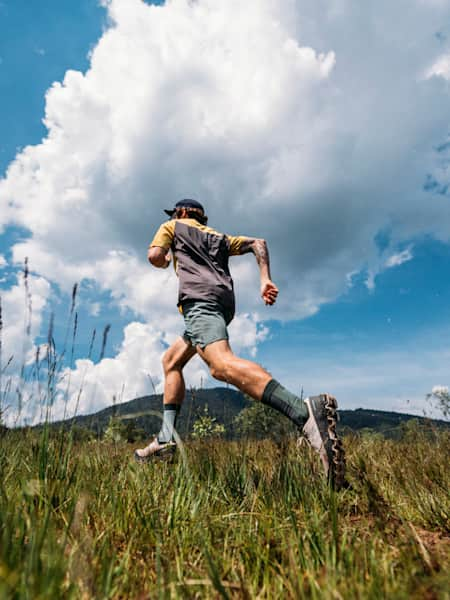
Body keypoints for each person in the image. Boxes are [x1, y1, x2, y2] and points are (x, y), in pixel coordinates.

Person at [135, 199, 345, 487]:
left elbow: (155, 256)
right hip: (222, 303)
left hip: (199, 303)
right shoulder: (219, 237)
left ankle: (304, 412)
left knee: (221, 365)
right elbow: (258, 243)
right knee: (171, 361)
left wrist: (164, 257)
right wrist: (265, 279)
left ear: (181, 213)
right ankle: (166, 438)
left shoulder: (172, 226)